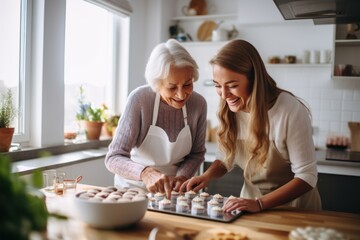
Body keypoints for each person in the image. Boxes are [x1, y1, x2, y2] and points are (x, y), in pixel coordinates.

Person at [180, 39, 322, 213]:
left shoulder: (289, 110)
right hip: (251, 206)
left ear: (254, 79)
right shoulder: (231, 108)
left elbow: (307, 177)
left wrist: (260, 203)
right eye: (218, 86)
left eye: (232, 86)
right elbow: (225, 158)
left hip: (294, 210)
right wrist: (206, 176)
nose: (224, 95)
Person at [105, 39, 207, 199]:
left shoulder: (198, 104)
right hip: (132, 191)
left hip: (174, 194)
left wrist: (181, 177)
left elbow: (196, 154)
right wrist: (145, 173)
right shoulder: (140, 100)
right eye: (172, 87)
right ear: (156, 84)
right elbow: (114, 157)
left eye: (187, 84)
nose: (181, 95)